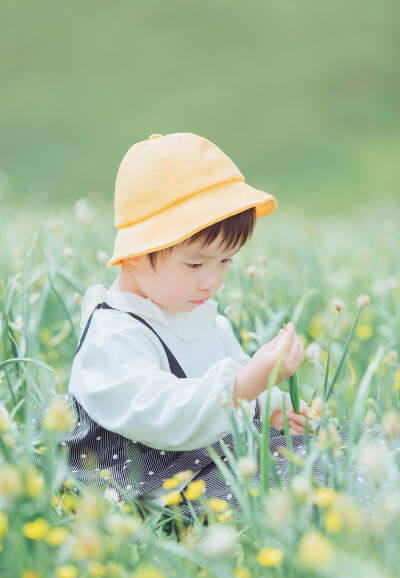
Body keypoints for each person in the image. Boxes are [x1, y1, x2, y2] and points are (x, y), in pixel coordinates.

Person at [65, 132, 316, 518]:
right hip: (153, 482)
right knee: (294, 486)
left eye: (226, 261)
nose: (211, 281)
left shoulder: (195, 311)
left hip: (205, 458)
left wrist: (269, 408)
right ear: (135, 253)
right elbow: (163, 413)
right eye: (196, 264)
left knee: (323, 453)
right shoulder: (114, 335)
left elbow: (233, 369)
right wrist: (249, 384)